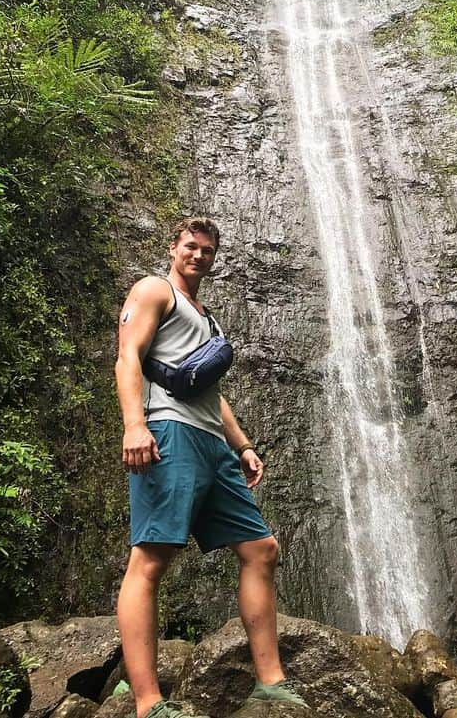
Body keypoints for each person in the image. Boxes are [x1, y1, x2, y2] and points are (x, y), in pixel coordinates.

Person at [115, 217, 308, 718]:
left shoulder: (208, 318)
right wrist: (135, 425)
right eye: (189, 246)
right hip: (167, 432)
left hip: (211, 443)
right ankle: (147, 703)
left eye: (207, 249)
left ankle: (270, 682)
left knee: (261, 549)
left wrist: (242, 444)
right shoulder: (155, 291)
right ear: (173, 248)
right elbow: (127, 357)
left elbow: (207, 392)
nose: (198, 255)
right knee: (151, 558)